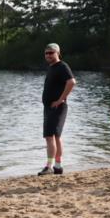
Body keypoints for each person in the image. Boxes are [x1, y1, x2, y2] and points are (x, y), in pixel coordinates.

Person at [38, 43, 76, 176]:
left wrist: (60, 100)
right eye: (46, 53)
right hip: (49, 107)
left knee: (50, 136)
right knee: (56, 137)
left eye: (51, 52)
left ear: (58, 53)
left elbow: (71, 82)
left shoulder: (62, 66)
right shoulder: (52, 67)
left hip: (57, 107)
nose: (48, 55)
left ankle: (49, 166)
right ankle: (58, 166)